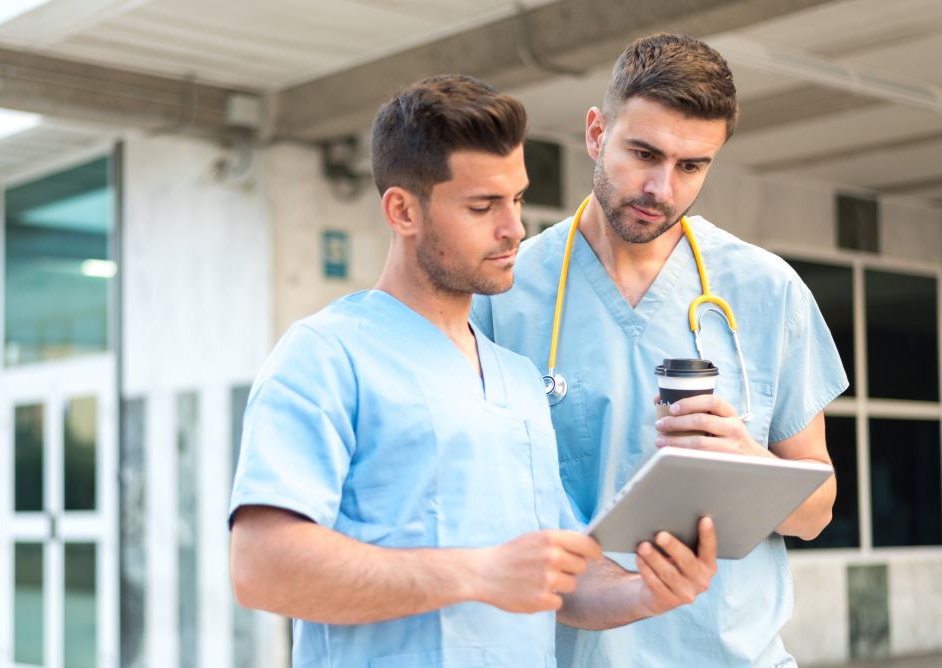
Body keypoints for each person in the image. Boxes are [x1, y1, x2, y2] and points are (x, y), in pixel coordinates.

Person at [229, 74, 718, 667]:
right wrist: (478, 572)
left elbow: (563, 580)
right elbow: (262, 568)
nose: (514, 228)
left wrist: (648, 590)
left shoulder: (517, 380)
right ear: (402, 210)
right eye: (482, 206)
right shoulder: (325, 356)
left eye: (516, 199)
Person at [472, 34, 848, 667]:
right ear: (596, 133)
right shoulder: (504, 292)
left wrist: (754, 465)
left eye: (691, 166)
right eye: (642, 152)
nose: (660, 188)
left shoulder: (766, 290)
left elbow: (816, 513)